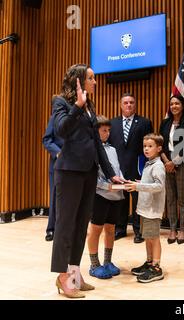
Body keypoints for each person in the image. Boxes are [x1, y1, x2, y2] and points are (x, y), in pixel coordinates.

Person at [51, 64, 123, 298]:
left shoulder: (90, 106)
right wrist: (77, 107)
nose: (95, 81)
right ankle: (62, 277)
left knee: (82, 226)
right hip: (69, 172)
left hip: (89, 172)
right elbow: (61, 130)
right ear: (78, 80)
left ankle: (74, 274)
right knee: (65, 226)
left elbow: (96, 144)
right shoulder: (61, 102)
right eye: (91, 78)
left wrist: (111, 172)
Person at [109, 93, 153, 243]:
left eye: (131, 102)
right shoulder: (112, 123)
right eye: (126, 102)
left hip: (137, 169)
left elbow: (150, 147)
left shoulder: (144, 122)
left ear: (135, 105)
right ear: (121, 105)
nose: (128, 105)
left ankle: (138, 231)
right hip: (118, 171)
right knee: (120, 201)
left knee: (138, 202)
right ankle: (120, 229)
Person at [87, 115, 124, 279]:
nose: (107, 133)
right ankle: (94, 265)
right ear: (96, 131)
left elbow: (116, 170)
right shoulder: (91, 150)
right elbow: (91, 176)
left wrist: (123, 182)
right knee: (95, 230)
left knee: (111, 230)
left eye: (109, 130)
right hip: (99, 195)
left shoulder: (113, 150)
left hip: (115, 195)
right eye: (104, 130)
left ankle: (108, 262)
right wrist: (105, 186)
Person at [126, 134, 166, 283]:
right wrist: (137, 182)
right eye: (145, 146)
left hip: (152, 209)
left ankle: (156, 267)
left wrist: (139, 186)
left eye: (150, 146)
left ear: (159, 148)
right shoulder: (149, 163)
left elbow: (159, 186)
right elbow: (149, 182)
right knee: (147, 237)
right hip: (144, 208)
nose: (146, 149)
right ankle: (149, 262)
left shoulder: (158, 165)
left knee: (154, 238)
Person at [159, 94, 184, 245]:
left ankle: (183, 230)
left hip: (183, 163)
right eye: (172, 104)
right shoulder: (165, 123)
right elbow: (160, 144)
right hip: (166, 164)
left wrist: (174, 162)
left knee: (182, 199)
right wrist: (167, 161)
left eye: (177, 103)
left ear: (182, 105)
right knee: (171, 199)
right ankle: (172, 229)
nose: (174, 106)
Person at [42, 112, 64, 241]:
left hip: (75, 162)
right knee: (55, 195)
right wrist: (58, 152)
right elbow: (47, 140)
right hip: (58, 162)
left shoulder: (78, 117)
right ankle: (51, 228)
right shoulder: (54, 118)